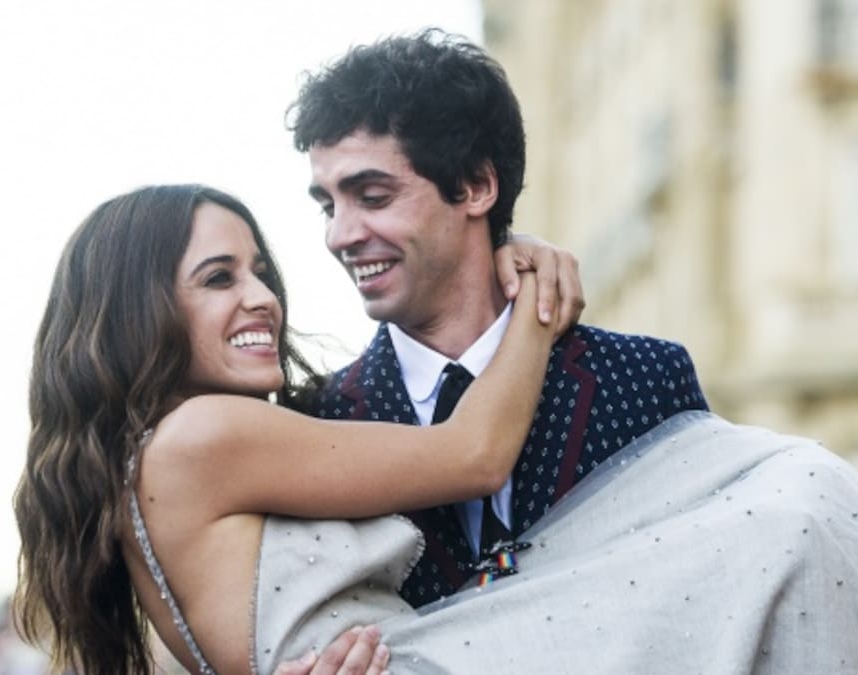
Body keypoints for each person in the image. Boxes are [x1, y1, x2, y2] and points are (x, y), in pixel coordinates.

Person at [14, 184, 858, 675]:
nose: (262, 295)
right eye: (218, 278)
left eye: (259, 268)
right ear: (139, 308)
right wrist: (535, 303)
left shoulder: (159, 462)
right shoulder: (201, 439)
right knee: (795, 514)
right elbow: (471, 454)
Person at [287, 29, 707, 610]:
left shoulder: (646, 380)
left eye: (373, 197)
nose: (340, 235)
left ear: (477, 186)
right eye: (329, 206)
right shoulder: (315, 421)